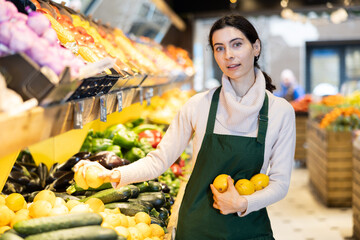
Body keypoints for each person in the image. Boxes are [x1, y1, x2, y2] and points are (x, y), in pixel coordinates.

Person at [74, 15, 296, 240]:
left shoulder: (280, 112)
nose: (229, 55)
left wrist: (242, 202)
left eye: (237, 44)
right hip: (197, 228)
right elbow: (159, 161)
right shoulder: (199, 105)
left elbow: (279, 183)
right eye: (219, 48)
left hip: (249, 229)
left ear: (255, 47)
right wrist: (112, 174)